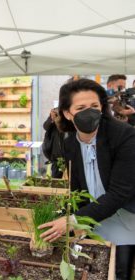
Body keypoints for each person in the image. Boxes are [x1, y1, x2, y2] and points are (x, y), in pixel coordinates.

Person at [39, 79, 135, 280]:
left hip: (126, 215)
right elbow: (77, 190)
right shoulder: (71, 143)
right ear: (67, 113)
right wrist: (73, 221)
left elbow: (119, 194)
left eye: (94, 106)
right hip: (95, 215)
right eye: (81, 108)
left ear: (102, 107)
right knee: (96, 264)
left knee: (119, 269)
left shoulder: (124, 136)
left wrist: (74, 220)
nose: (89, 112)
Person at [42, 107, 65, 178]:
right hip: (56, 158)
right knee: (56, 180)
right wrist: (52, 118)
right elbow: (45, 126)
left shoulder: (67, 119)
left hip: (68, 157)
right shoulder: (52, 120)